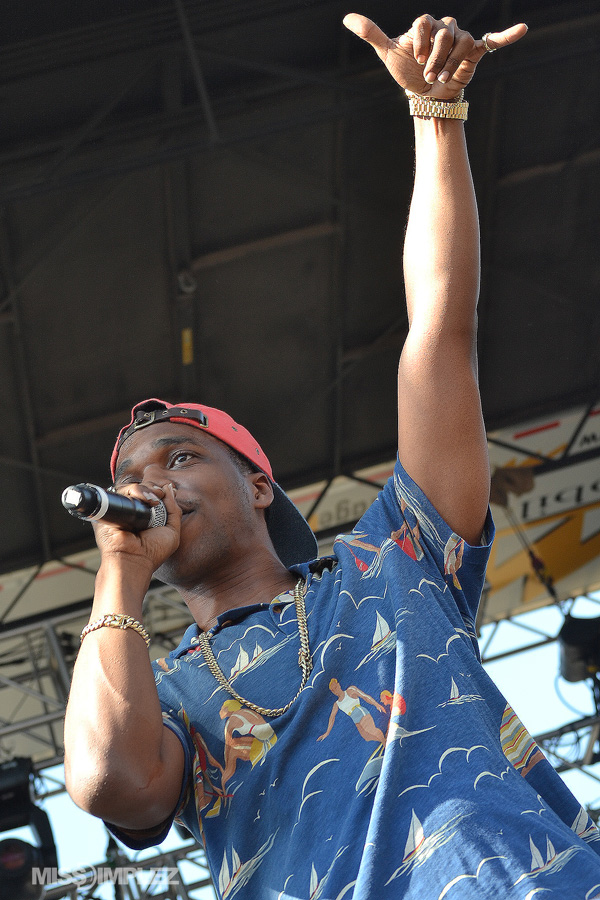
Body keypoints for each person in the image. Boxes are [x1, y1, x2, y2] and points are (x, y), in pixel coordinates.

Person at [64, 12, 600, 899]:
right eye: (130, 479)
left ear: (256, 479)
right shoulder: (165, 695)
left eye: (177, 458)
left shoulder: (396, 555)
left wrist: (437, 117)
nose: (147, 484)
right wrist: (118, 571)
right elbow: (107, 783)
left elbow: (438, 331)